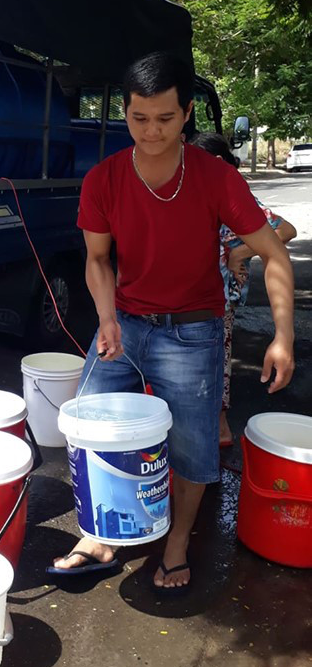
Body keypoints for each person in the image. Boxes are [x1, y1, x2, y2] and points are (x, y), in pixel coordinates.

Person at [51, 53, 295, 593]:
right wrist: (106, 317)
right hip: (126, 324)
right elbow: (97, 260)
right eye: (139, 119)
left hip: (193, 332)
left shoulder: (216, 178)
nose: (152, 131)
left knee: (192, 447)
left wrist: (283, 336)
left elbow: (275, 254)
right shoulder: (104, 179)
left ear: (186, 113)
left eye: (165, 118)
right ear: (126, 115)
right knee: (93, 426)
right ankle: (100, 533)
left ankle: (178, 542)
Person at [189, 132, 297, 447]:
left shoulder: (233, 193)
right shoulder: (194, 192)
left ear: (218, 163)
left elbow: (285, 229)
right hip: (194, 297)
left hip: (219, 298)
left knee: (215, 361)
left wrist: (241, 252)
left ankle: (219, 428)